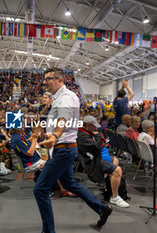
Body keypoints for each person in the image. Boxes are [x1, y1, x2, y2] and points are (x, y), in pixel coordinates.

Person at [33, 68, 112, 233]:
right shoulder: (60, 98)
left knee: (40, 189)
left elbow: (63, 118)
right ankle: (101, 208)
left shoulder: (66, 97)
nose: (45, 82)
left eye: (49, 79)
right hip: (65, 149)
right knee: (70, 183)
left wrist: (55, 135)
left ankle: (48, 231)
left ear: (60, 79)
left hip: (63, 149)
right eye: (44, 79)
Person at [77, 116, 129, 208]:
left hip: (96, 158)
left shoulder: (86, 132)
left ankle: (109, 188)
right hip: (92, 164)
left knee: (115, 160)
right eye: (94, 126)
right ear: (88, 125)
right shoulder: (82, 136)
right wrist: (98, 135)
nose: (96, 128)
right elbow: (98, 145)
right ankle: (115, 197)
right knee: (117, 170)